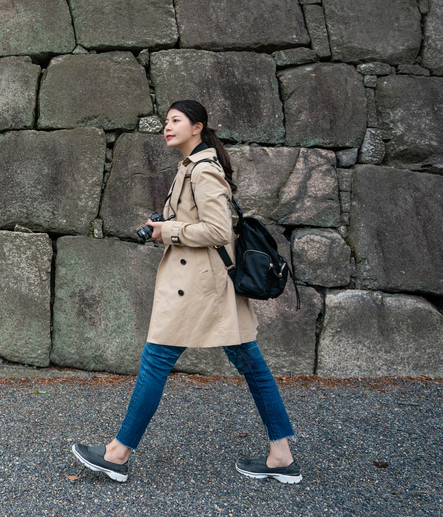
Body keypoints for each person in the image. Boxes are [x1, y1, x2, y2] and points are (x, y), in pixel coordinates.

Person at [71, 100, 301, 484]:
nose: (167, 126)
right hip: (206, 287)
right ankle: (281, 455)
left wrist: (169, 231)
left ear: (198, 127)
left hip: (200, 289)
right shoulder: (189, 169)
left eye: (176, 120)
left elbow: (218, 231)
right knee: (251, 366)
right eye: (165, 121)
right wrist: (167, 225)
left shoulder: (203, 171)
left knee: (156, 360)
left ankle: (117, 453)